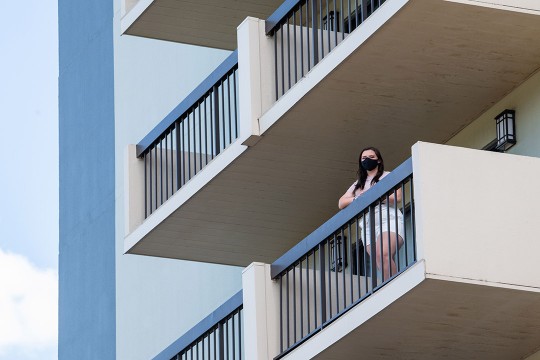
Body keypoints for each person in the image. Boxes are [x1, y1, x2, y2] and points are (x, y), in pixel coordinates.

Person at [338, 147, 404, 281]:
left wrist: (374, 196)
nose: (367, 160)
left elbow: (397, 197)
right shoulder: (358, 184)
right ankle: (389, 285)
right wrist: (357, 198)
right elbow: (341, 203)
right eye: (364, 158)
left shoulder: (387, 175)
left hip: (388, 218)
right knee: (378, 259)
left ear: (378, 160)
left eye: (371, 157)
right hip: (368, 226)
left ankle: (395, 284)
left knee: (383, 253)